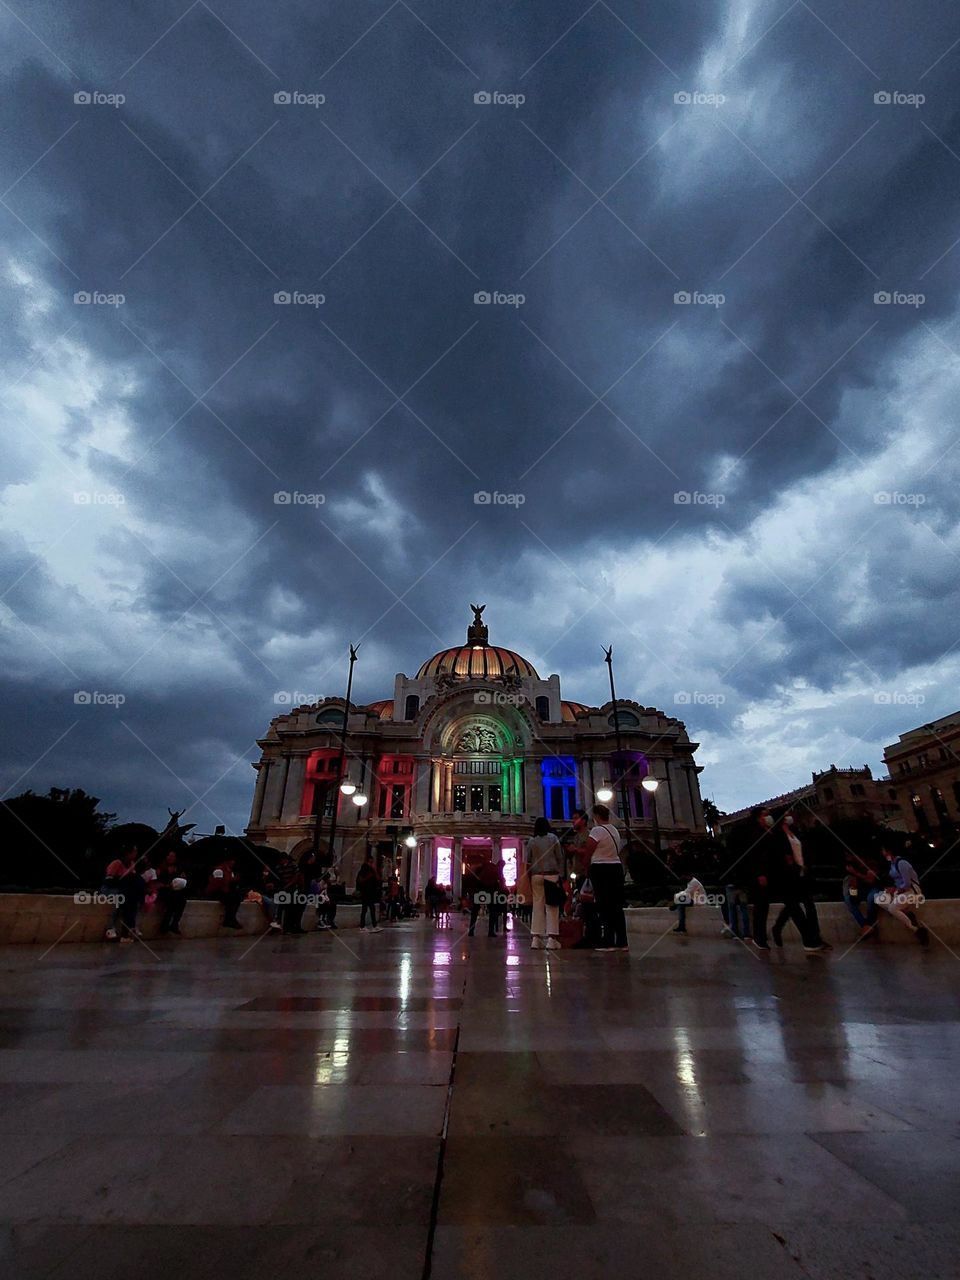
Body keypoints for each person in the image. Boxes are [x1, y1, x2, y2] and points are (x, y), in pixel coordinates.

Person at [573, 803, 627, 952]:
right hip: (616, 867)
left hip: (601, 868)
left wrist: (585, 865)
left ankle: (608, 941)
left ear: (596, 816)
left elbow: (589, 850)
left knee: (604, 905)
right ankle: (622, 941)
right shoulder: (614, 830)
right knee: (616, 906)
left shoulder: (597, 830)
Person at [771, 816, 831, 950]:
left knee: (804, 905)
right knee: (796, 907)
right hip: (789, 876)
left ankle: (813, 937)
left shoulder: (795, 832)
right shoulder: (778, 836)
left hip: (802, 874)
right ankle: (811, 940)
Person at [564, 808, 600, 948]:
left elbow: (589, 852)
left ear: (583, 820)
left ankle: (592, 937)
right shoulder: (577, 836)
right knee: (584, 907)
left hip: (586, 875)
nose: (573, 821)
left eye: (575, 818)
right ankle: (587, 935)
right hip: (579, 874)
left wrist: (575, 850)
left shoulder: (587, 835)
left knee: (589, 906)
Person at [879, 847, 929, 945]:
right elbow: (897, 881)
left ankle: (916, 929)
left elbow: (906, 884)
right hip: (901, 891)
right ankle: (906, 913)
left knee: (893, 908)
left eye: (883, 851)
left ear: (889, 851)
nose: (882, 853)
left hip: (912, 891)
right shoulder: (892, 864)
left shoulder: (902, 863)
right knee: (879, 898)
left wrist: (895, 890)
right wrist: (892, 889)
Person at [527, 816, 563, 950]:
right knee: (552, 907)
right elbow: (560, 857)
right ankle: (551, 939)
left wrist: (527, 876)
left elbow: (528, 860)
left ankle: (536, 938)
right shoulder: (553, 838)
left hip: (536, 875)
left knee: (537, 906)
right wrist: (561, 874)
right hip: (551, 875)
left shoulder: (532, 841)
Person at [102, 846, 143, 941]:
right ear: (127, 853)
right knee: (117, 900)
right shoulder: (117, 863)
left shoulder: (132, 864)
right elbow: (108, 880)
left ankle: (130, 928)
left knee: (132, 901)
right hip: (110, 888)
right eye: (134, 852)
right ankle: (110, 927)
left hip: (123, 889)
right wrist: (123, 879)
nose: (135, 854)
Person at [206, 856, 244, 930]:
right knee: (231, 899)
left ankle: (230, 919)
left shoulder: (231, 871)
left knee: (236, 897)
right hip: (216, 892)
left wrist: (234, 880)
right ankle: (229, 920)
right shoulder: (219, 870)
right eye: (231, 861)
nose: (233, 863)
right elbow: (217, 884)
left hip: (226, 891)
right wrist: (231, 880)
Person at [156, 852, 189, 935]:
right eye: (169, 855)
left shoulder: (178, 869)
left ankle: (174, 924)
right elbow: (157, 882)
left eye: (172, 856)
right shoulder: (161, 868)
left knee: (181, 901)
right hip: (164, 890)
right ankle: (165, 926)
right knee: (171, 902)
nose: (170, 858)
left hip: (175, 891)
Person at [671, 870, 707, 934]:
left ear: (688, 876)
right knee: (680, 904)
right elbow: (686, 892)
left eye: (684, 877)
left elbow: (686, 893)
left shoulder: (694, 882)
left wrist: (676, 898)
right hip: (694, 899)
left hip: (699, 901)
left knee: (681, 904)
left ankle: (682, 927)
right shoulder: (691, 882)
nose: (683, 878)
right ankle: (681, 927)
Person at [356, 853, 382, 932]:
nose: (371, 864)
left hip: (370, 892)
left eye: (372, 862)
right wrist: (368, 877)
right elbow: (360, 880)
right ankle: (362, 926)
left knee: (372, 909)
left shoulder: (371, 870)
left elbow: (377, 878)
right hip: (365, 892)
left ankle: (374, 925)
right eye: (370, 862)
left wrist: (374, 871)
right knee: (365, 909)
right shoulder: (364, 870)